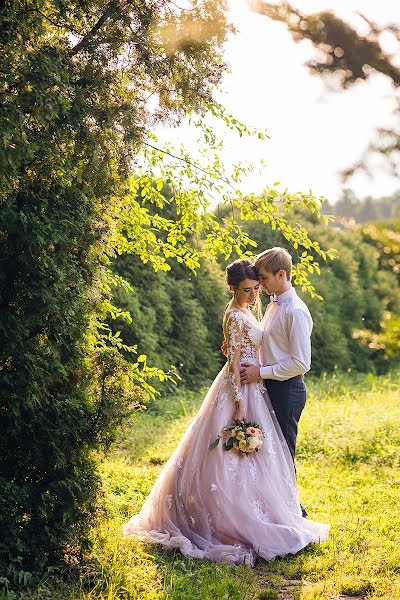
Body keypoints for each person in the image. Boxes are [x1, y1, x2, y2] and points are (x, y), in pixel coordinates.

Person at [123, 258, 329, 565]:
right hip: (242, 389)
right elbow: (235, 358)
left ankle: (275, 509)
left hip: (262, 384)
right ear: (233, 288)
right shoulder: (241, 312)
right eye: (248, 288)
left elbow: (276, 354)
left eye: (258, 286)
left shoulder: (277, 308)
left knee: (273, 452)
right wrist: (238, 402)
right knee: (236, 453)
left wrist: (247, 359)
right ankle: (234, 514)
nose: (254, 294)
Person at [240, 248, 313, 516]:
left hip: (288, 390)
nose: (260, 284)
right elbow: (269, 345)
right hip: (270, 386)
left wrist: (262, 372)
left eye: (264, 277)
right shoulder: (274, 305)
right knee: (269, 453)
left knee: (283, 455)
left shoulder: (295, 311)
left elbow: (300, 362)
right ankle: (276, 509)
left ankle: (294, 513)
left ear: (282, 274)